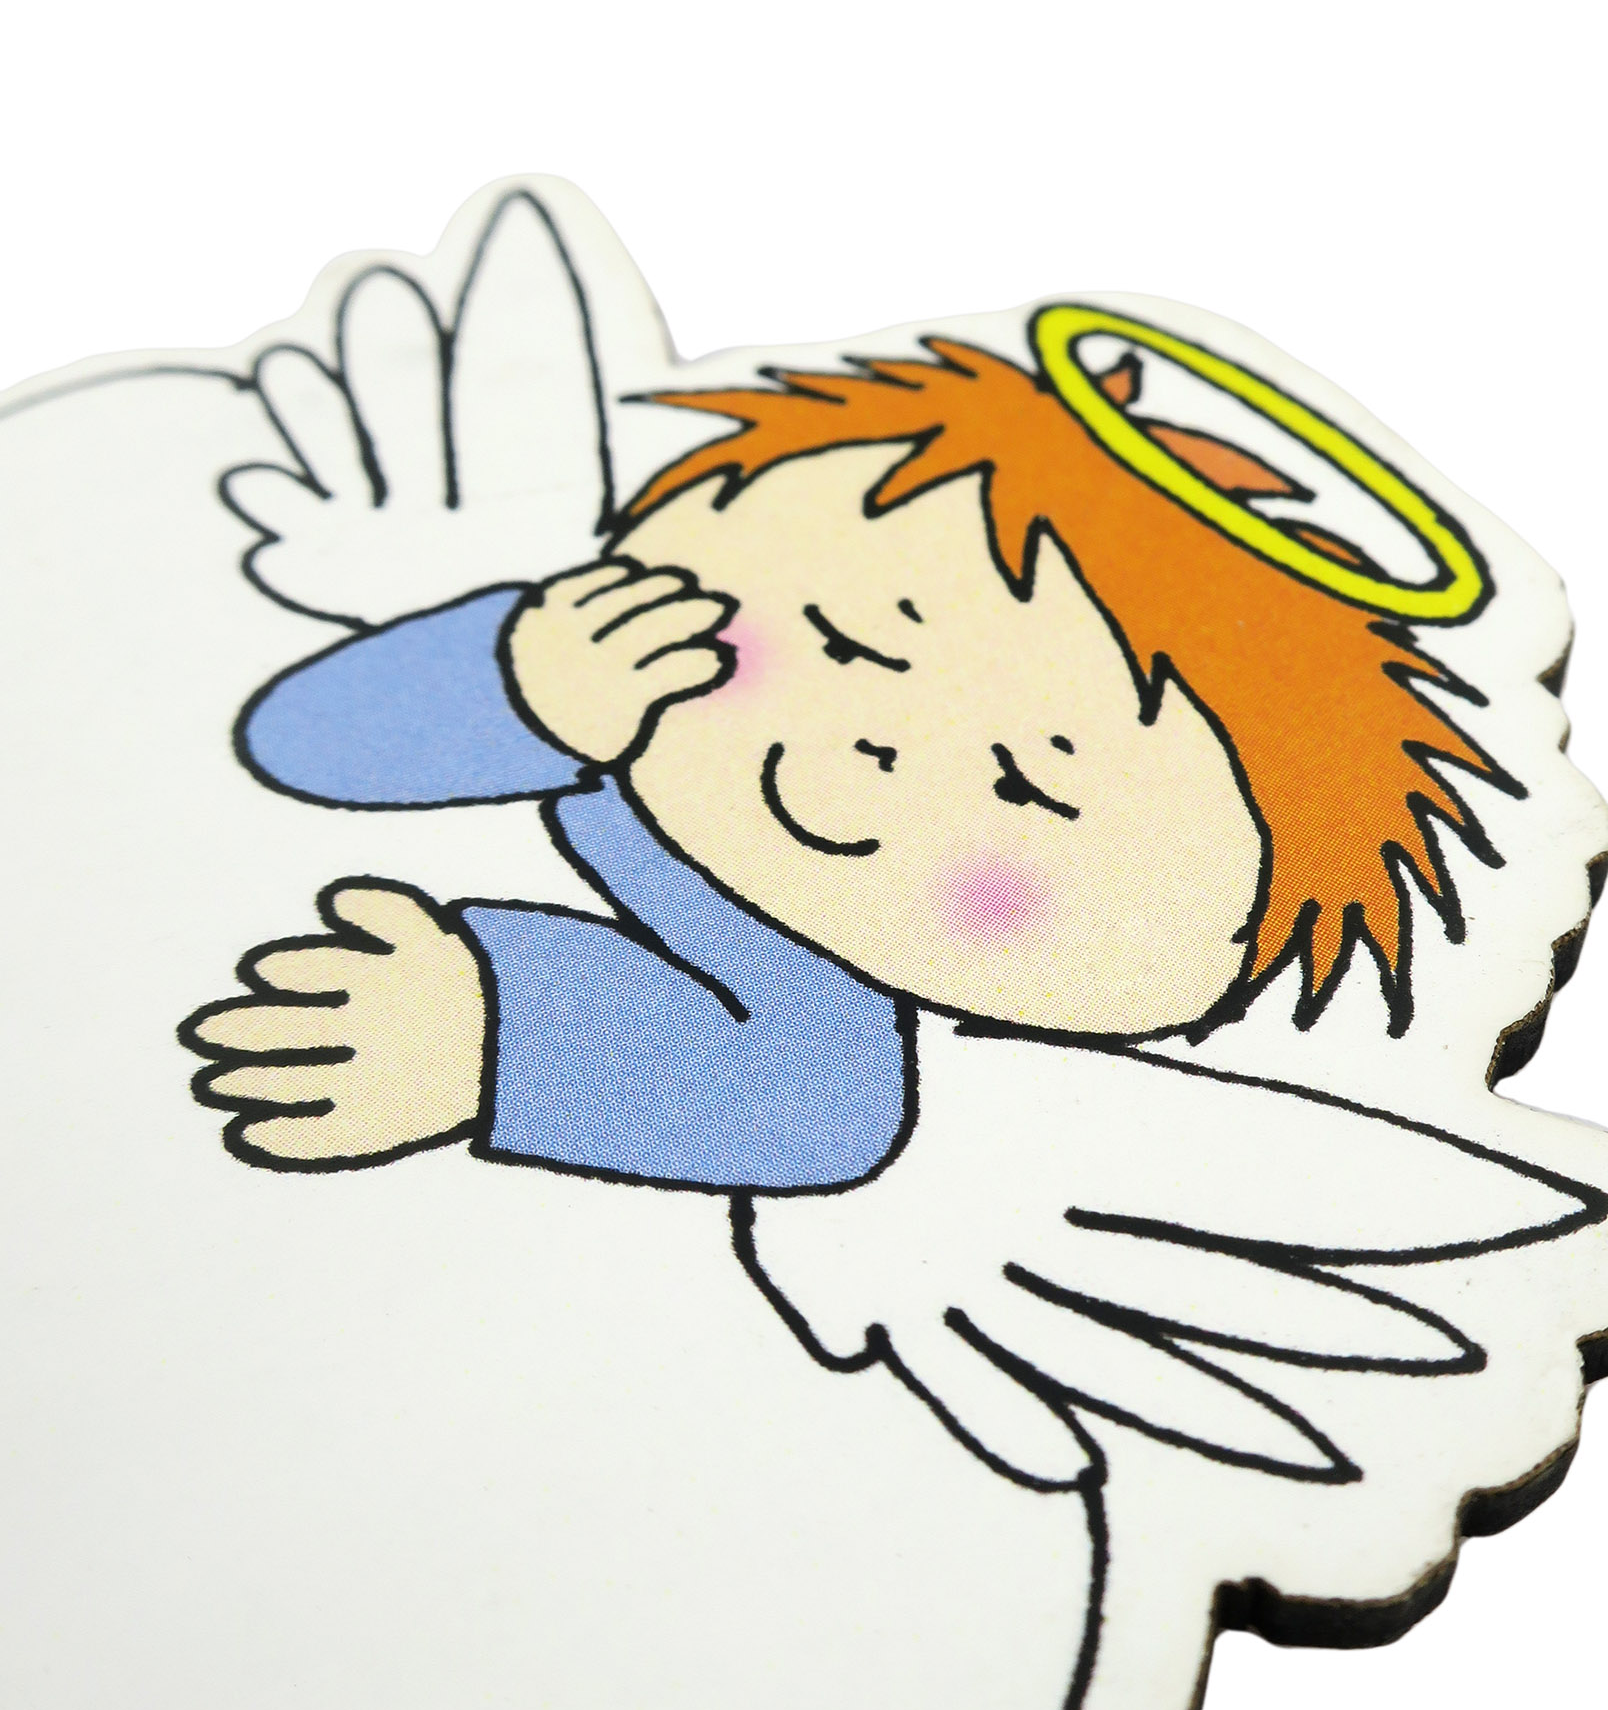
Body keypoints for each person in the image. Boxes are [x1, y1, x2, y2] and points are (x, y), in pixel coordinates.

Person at [184, 338, 1508, 1190]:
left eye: (1028, 789)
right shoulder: (626, 706)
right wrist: (520, 683)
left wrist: (485, 1036)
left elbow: (804, 1111)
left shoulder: (812, 993)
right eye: (840, 639)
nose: (853, 770)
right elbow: (305, 737)